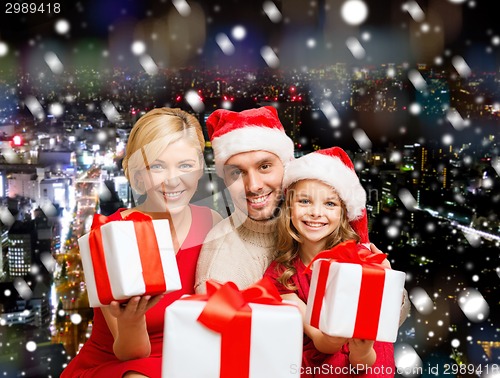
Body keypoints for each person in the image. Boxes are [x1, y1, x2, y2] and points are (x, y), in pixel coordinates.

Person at [194, 106, 409, 327]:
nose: (254, 185)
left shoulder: (315, 222)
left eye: (265, 166)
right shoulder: (222, 258)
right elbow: (223, 341)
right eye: (237, 173)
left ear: (287, 167)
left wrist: (387, 289)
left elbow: (384, 325)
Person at [62, 108, 222, 378]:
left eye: (185, 165)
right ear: (138, 176)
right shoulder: (113, 234)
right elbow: (129, 354)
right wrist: (132, 320)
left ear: (199, 170)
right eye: (157, 166)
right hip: (121, 365)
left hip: (187, 361)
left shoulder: (212, 222)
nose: (173, 179)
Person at [264, 146, 397, 377]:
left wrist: (363, 349)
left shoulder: (362, 264)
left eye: (330, 204)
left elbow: (367, 362)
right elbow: (322, 342)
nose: (316, 213)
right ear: (289, 208)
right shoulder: (281, 273)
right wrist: (334, 337)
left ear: (344, 214)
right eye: (305, 201)